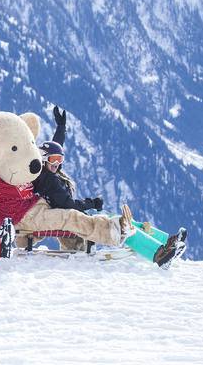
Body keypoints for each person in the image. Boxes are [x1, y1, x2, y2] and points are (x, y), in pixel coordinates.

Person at [33, 106, 187, 269]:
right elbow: (68, 204)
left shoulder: (46, 171)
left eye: (60, 159)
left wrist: (61, 128)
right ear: (43, 160)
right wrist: (91, 203)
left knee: (126, 220)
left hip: (76, 212)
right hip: (73, 215)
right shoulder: (48, 180)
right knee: (120, 224)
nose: (57, 164)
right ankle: (158, 254)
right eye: (53, 160)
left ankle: (166, 241)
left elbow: (55, 147)